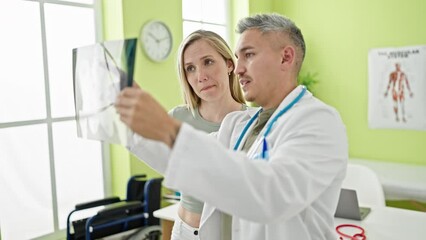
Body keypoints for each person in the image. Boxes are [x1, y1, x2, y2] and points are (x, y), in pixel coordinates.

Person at [116, 13, 348, 240]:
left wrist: (168, 129)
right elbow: (185, 159)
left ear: (286, 58)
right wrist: (128, 119)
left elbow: (271, 195)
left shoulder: (318, 121)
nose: (237, 69)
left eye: (249, 55)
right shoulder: (240, 124)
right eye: (238, 58)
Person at [167, 30, 246, 239]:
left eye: (208, 62)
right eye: (190, 68)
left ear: (230, 64)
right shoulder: (177, 118)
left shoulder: (254, 122)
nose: (201, 76)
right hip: (184, 231)